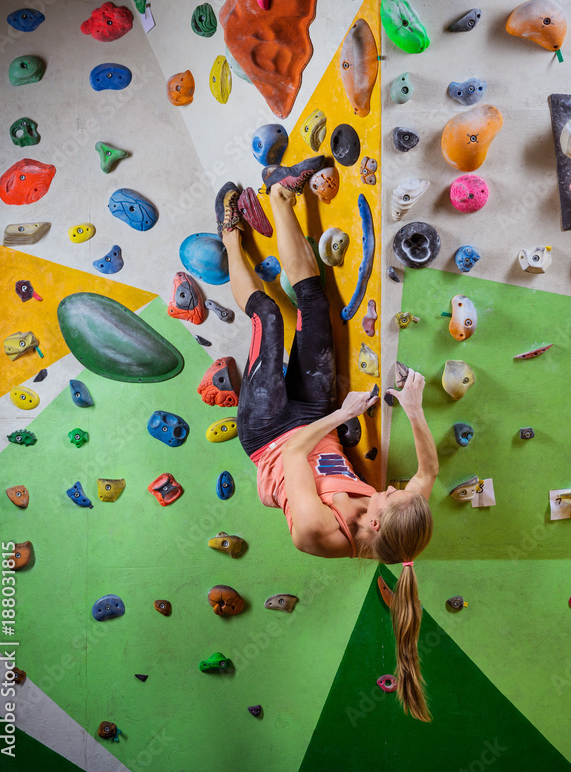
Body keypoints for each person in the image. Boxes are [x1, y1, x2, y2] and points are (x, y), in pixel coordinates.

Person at [215, 157, 438, 722]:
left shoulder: (320, 534)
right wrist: (412, 411)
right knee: (313, 305)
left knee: (268, 311)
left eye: (390, 497)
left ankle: (228, 235)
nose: (389, 488)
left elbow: (293, 453)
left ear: (378, 524)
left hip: (269, 434)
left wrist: (342, 414)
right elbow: (429, 474)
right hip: (318, 414)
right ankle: (280, 196)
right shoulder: (404, 528)